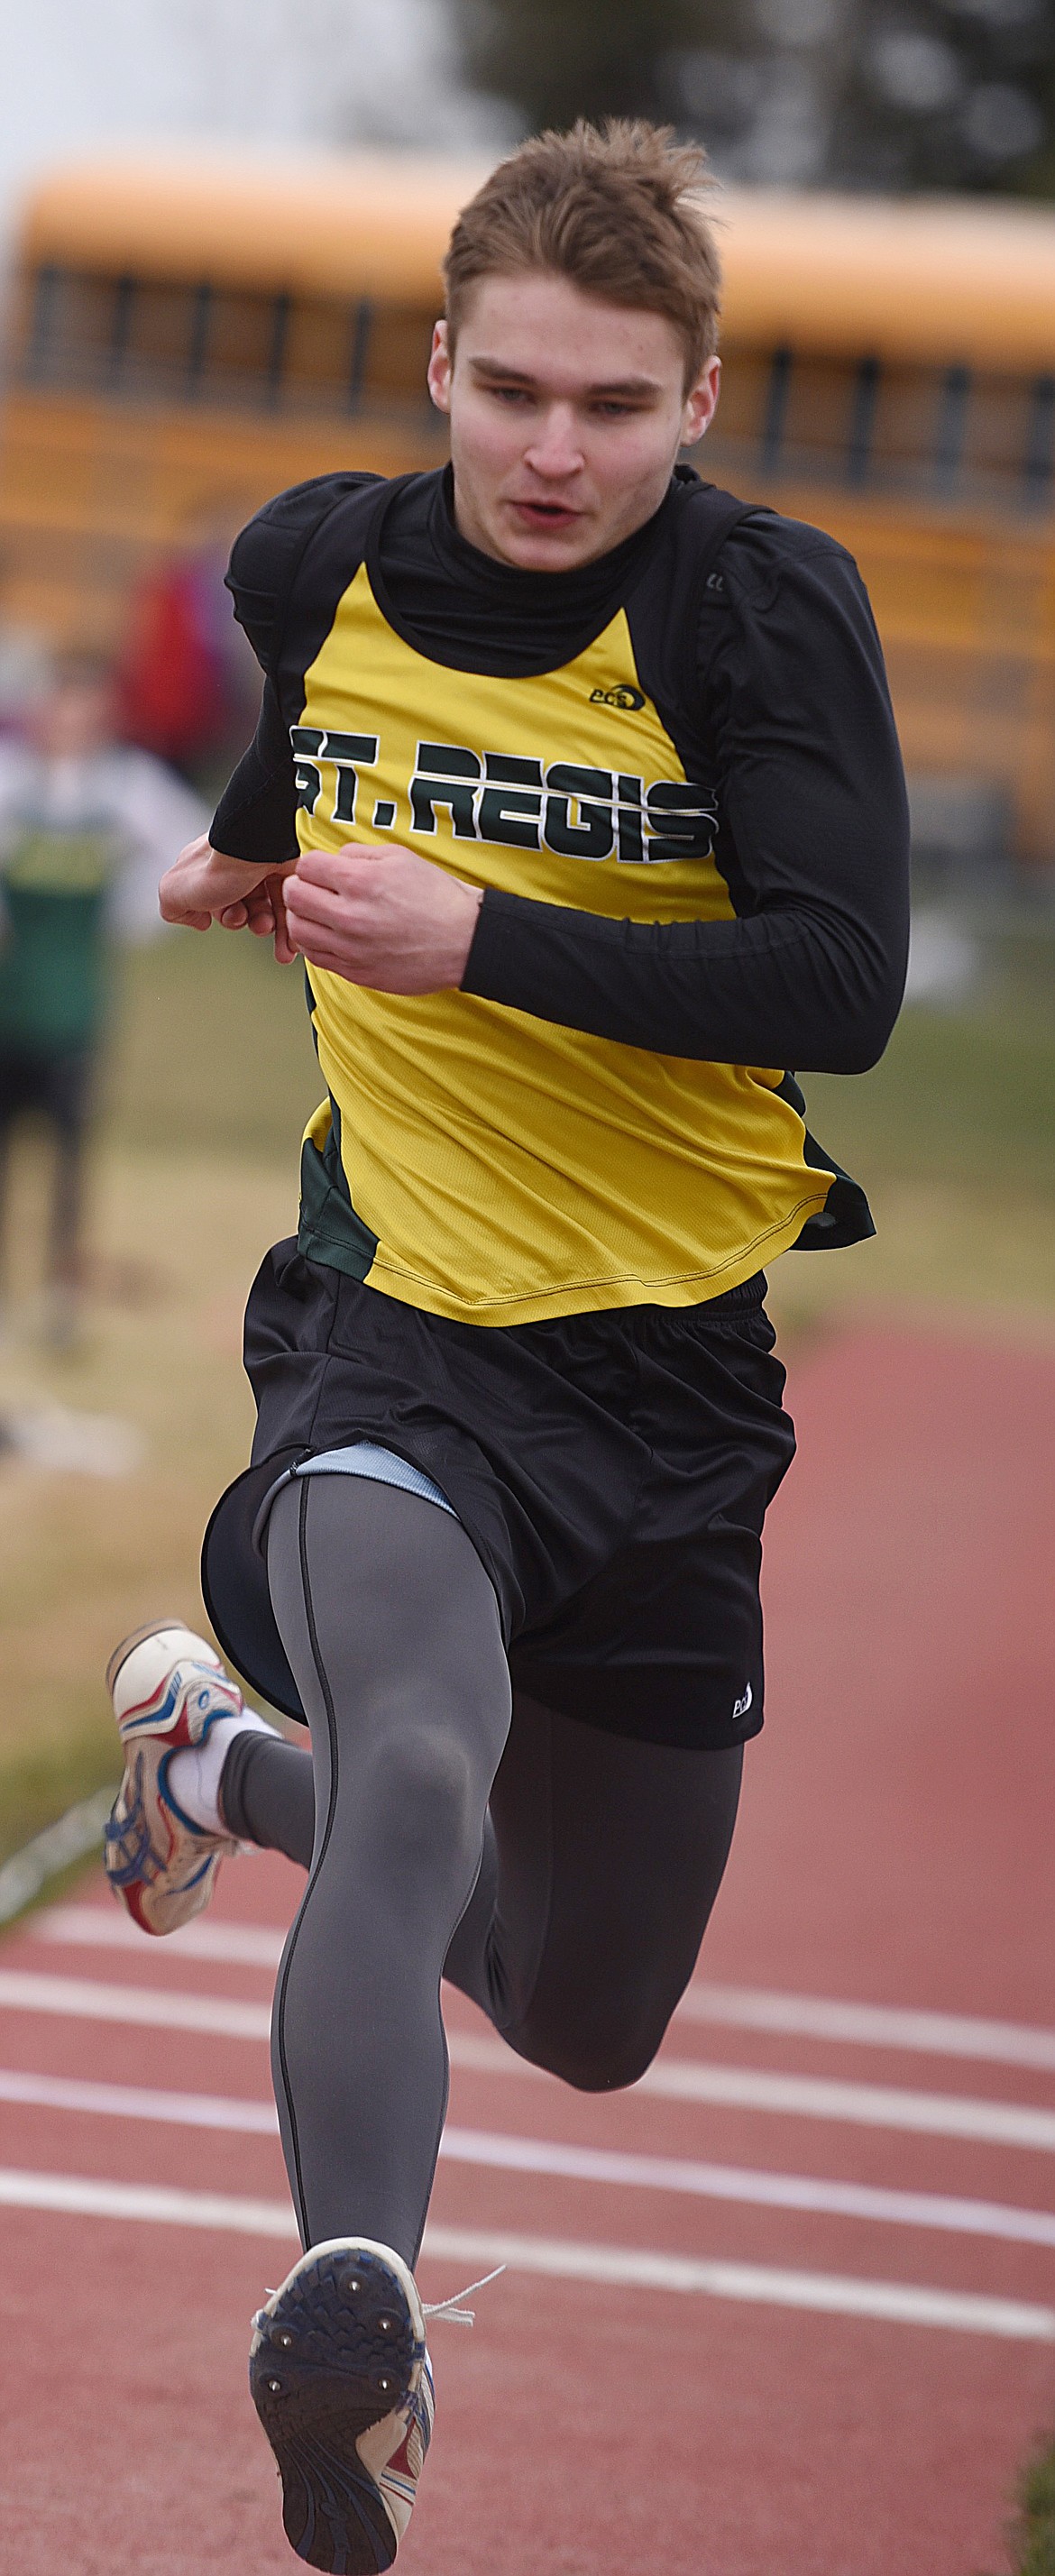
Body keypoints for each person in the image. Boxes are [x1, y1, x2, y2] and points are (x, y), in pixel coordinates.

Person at [103, 123, 909, 2576]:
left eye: (620, 407)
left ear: (696, 404)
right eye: (520, 393)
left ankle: (211, 1764)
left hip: (669, 1395)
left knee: (587, 2011)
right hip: (396, 1332)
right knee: (430, 1760)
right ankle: (350, 2302)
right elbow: (307, 728)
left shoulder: (760, 616)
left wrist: (485, 942)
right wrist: (252, 848)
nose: (559, 452)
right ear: (441, 365)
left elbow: (836, 983)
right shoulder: (313, 555)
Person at [0, 651, 207, 1338]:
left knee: (69, 1155)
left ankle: (62, 1293)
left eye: (83, 710)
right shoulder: (12, 781)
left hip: (77, 1003)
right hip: (10, 1000)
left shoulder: (124, 787)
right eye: (58, 708)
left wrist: (134, 913)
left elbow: (196, 846)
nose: (67, 723)